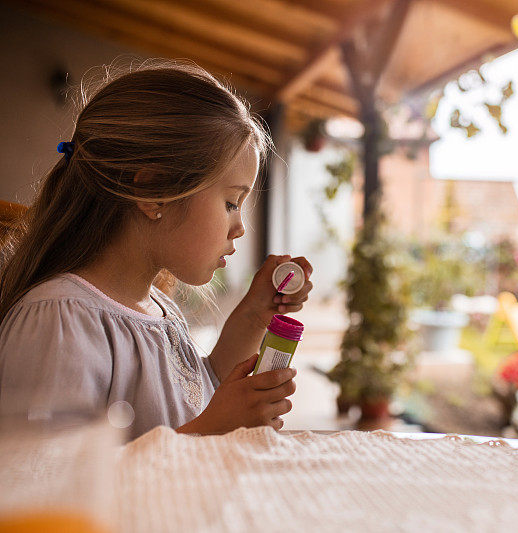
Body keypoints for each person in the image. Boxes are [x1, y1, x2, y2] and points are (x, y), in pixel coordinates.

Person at [0, 60, 313, 440]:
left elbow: (198, 396)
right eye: (231, 202)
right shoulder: (62, 323)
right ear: (154, 192)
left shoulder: (159, 310)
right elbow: (53, 482)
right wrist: (210, 429)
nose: (240, 226)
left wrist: (254, 314)